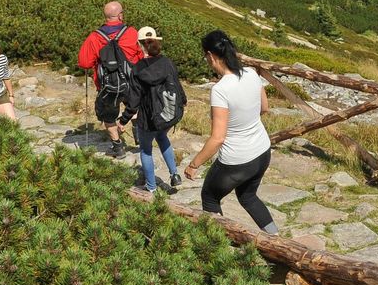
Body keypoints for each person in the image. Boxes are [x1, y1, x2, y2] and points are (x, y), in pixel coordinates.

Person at [182, 30, 278, 233]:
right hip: (262, 150)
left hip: (237, 160)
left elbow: (218, 138)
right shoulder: (251, 73)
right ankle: (276, 238)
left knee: (210, 197)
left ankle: (217, 247)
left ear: (210, 55)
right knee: (248, 196)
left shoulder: (220, 89)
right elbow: (265, 108)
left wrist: (193, 164)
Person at [119, 26, 185, 192]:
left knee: (146, 150)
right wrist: (182, 101)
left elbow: (134, 100)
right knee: (162, 137)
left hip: (149, 117)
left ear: (140, 45)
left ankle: (151, 187)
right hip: (168, 113)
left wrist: (124, 119)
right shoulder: (167, 62)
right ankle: (174, 174)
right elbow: (176, 84)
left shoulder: (138, 68)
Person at [76, 0, 142, 157]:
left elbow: (84, 62)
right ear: (120, 15)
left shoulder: (94, 37)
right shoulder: (132, 32)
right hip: (130, 81)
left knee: (108, 115)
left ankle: (118, 147)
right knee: (134, 107)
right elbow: (140, 55)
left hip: (108, 85)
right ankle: (139, 136)